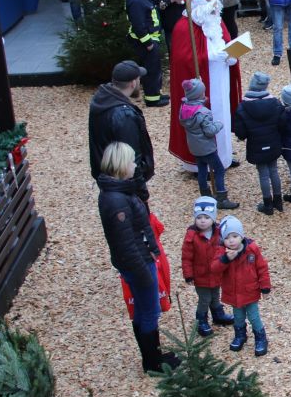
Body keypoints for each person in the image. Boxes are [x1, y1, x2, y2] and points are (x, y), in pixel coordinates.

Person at [96, 142, 179, 374]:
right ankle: (153, 362)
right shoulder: (117, 201)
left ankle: (152, 356)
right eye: (131, 161)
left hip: (140, 260)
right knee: (149, 311)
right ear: (122, 165)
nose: (135, 165)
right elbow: (126, 243)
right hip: (139, 264)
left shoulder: (118, 192)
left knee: (144, 310)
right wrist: (144, 273)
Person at [168, 0, 242, 174]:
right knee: (204, 120)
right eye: (210, 9)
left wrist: (231, 55)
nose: (214, 12)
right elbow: (183, 59)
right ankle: (201, 164)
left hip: (221, 77)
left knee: (222, 114)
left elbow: (225, 40)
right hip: (204, 82)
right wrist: (212, 56)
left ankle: (223, 156)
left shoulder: (215, 21)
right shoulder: (183, 28)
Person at [88, 60, 154, 201]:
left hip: (108, 178)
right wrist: (142, 194)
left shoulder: (102, 99)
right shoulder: (124, 116)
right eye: (139, 79)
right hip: (125, 184)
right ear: (133, 83)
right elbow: (132, 157)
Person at [212, 215, 271, 357]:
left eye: (234, 236)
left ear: (241, 236)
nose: (231, 240)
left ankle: (260, 338)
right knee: (238, 317)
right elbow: (214, 268)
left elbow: (262, 268)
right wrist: (226, 259)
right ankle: (240, 335)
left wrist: (265, 286)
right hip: (234, 293)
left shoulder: (252, 249)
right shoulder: (222, 252)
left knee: (254, 316)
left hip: (250, 291)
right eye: (227, 238)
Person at [179, 78, 239, 210]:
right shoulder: (203, 112)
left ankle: (205, 194)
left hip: (194, 147)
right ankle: (221, 197)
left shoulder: (183, 108)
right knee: (219, 169)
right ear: (200, 95)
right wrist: (219, 124)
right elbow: (209, 132)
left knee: (201, 169)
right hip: (207, 148)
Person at [181, 196, 235, 337]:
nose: (203, 220)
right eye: (199, 217)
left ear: (213, 217)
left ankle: (218, 315)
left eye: (206, 217)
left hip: (216, 273)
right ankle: (201, 320)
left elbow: (227, 246)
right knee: (205, 299)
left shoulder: (219, 232)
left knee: (215, 295)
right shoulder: (192, 236)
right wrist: (188, 275)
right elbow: (186, 257)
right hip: (200, 275)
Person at [233, 71, 286, 215]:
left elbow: (241, 131)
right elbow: (282, 123)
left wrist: (242, 136)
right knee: (274, 171)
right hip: (273, 142)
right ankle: (278, 202)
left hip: (256, 144)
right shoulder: (275, 103)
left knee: (263, 174)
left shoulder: (243, 106)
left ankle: (267, 205)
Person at [124, 0, 168, 108]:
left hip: (151, 38)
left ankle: (156, 93)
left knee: (155, 69)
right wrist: (148, 43)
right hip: (145, 41)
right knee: (151, 70)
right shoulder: (135, 0)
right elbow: (138, 25)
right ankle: (152, 99)